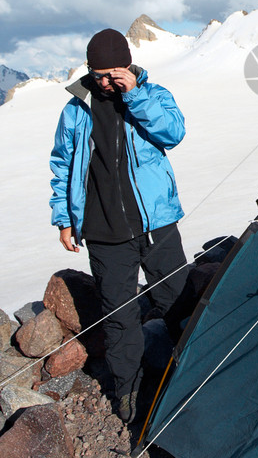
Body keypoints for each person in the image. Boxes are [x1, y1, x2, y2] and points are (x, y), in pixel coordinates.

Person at [49, 28, 188, 422]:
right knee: (120, 317)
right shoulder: (76, 109)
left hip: (155, 223)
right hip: (103, 231)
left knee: (176, 300)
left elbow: (173, 133)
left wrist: (135, 94)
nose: (107, 82)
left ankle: (195, 372)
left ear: (128, 66)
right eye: (100, 75)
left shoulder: (152, 95)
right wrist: (64, 219)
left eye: (114, 74)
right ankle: (129, 397)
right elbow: (61, 165)